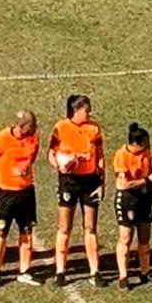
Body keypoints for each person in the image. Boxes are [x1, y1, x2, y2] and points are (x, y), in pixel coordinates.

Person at [47, 94, 105, 286]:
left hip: (90, 181)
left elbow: (100, 156)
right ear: (76, 110)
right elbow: (51, 154)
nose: (89, 113)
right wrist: (60, 166)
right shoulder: (61, 127)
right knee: (65, 227)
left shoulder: (94, 128)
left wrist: (102, 182)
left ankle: (94, 272)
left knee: (90, 227)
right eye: (86, 109)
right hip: (69, 181)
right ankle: (60, 271)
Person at [0, 110, 41, 288]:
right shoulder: (2, 138)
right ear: (23, 126)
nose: (35, 128)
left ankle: (24, 271)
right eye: (32, 125)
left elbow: (32, 157)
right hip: (6, 194)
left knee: (26, 232)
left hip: (26, 192)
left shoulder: (33, 138)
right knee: (1, 232)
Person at [112, 123, 152, 290]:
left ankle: (145, 272)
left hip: (144, 198)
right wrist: (147, 180)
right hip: (127, 199)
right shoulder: (122, 155)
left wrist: (150, 187)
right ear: (139, 142)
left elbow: (149, 171)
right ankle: (123, 276)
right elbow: (125, 185)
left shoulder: (146, 153)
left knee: (145, 237)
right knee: (125, 237)